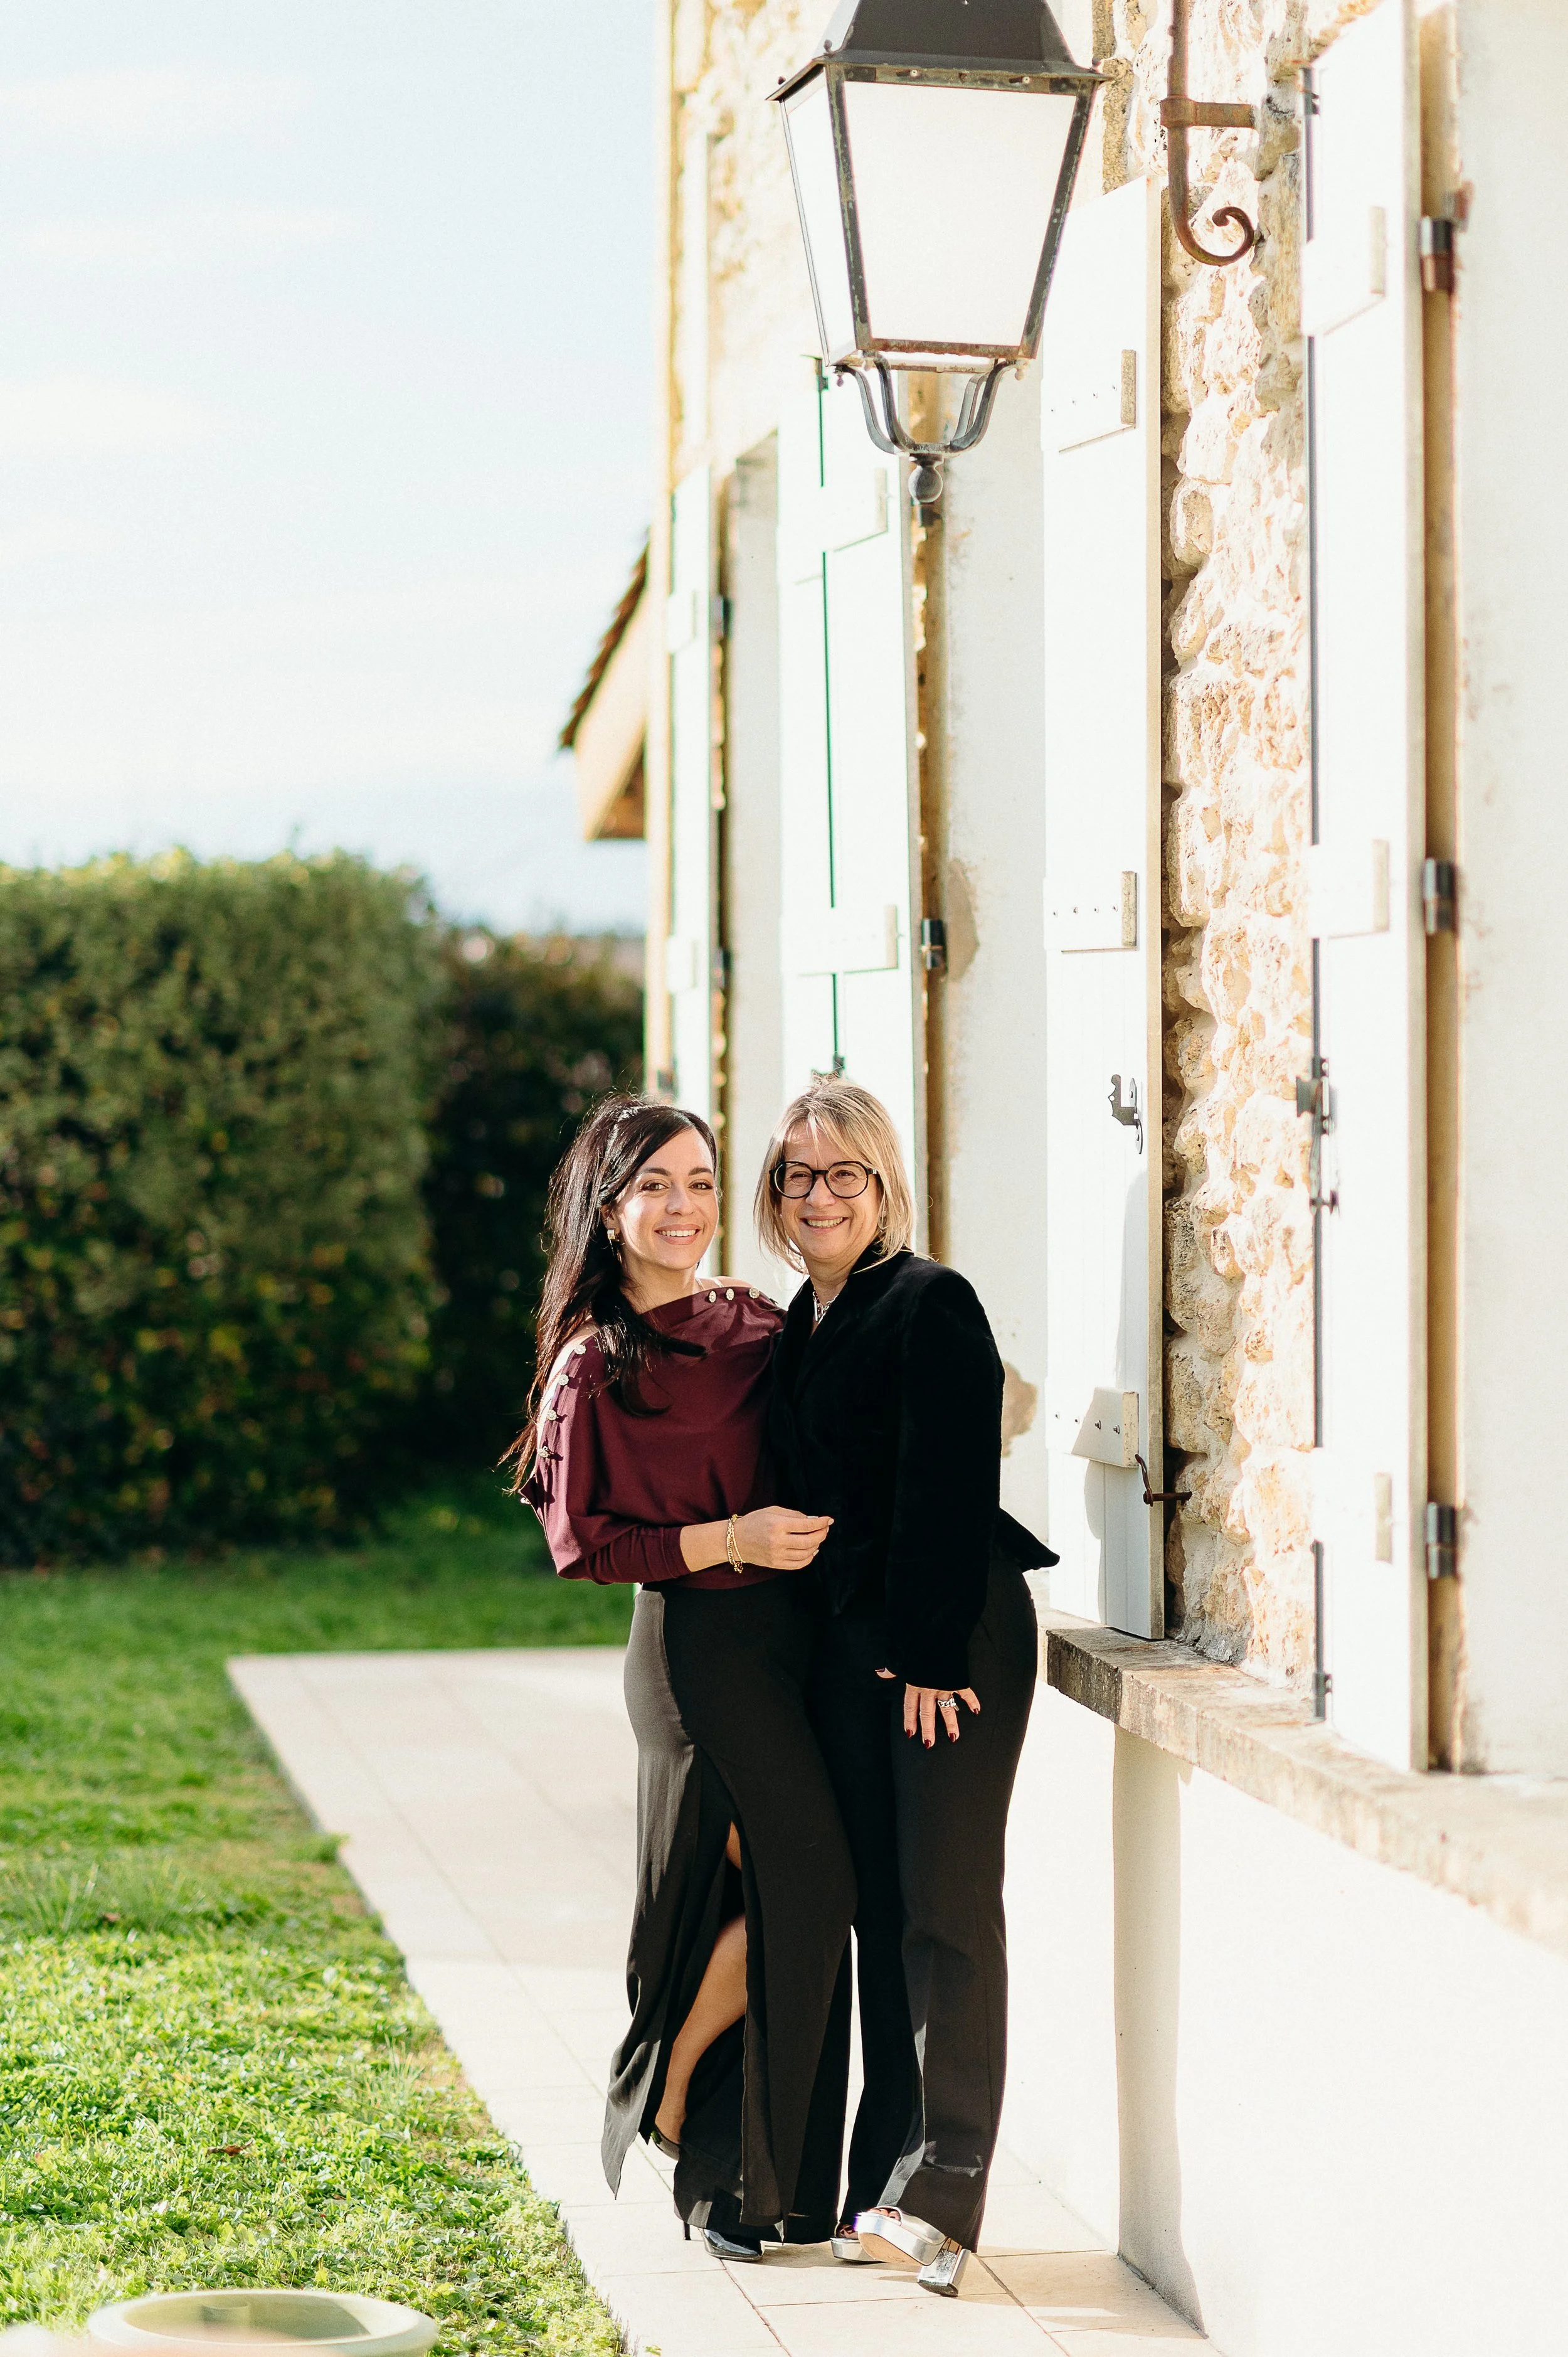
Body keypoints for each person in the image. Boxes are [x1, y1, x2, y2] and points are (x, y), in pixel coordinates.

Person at [511, 1093, 856, 2260]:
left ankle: (747, 2180)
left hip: (792, 1647)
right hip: (697, 1659)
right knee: (805, 1887)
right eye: (657, 1184)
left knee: (789, 1903)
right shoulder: (593, 1364)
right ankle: (662, 2088)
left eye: (702, 1182)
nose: (684, 1206)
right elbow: (584, 1547)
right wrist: (732, 1541)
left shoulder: (759, 1320)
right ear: (609, 1208)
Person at [760, 1078, 1056, 2297]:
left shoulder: (930, 1301)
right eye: (797, 1177)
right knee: (880, 1915)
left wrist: (930, 1651)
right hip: (859, 1644)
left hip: (952, 1640)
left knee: (942, 1910)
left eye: (843, 1176)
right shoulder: (803, 1316)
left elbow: (943, 1476)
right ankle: (885, 2183)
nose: (818, 1196)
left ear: (883, 1187)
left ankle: (945, 2199)